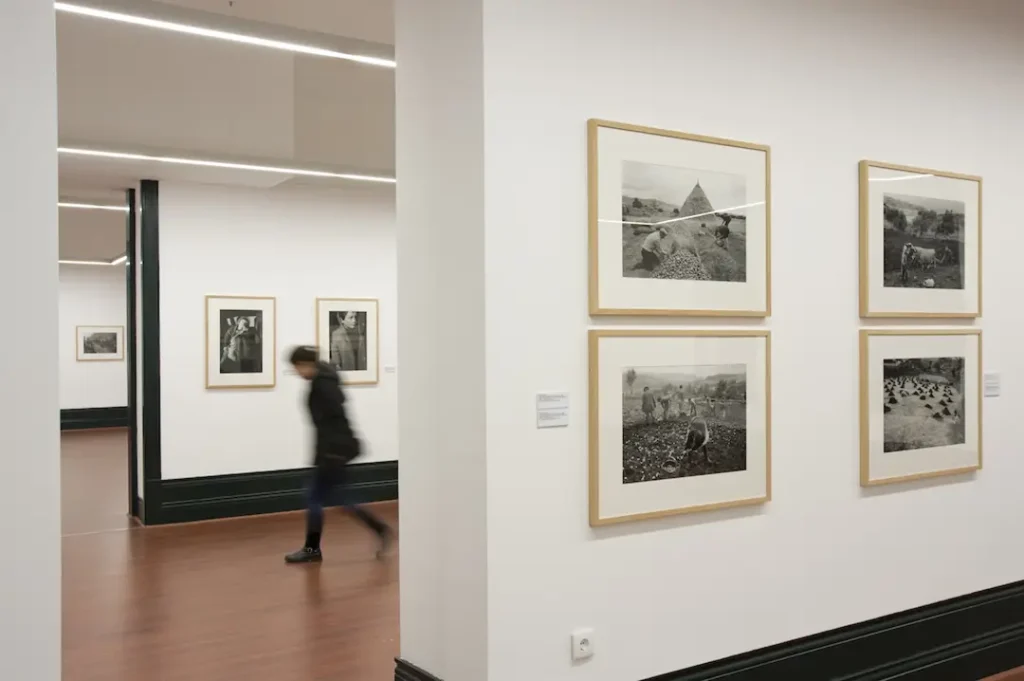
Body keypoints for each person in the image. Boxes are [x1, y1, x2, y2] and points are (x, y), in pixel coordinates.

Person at [284, 345, 392, 563]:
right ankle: (380, 529)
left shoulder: (324, 386)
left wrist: (331, 454)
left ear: (305, 365)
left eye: (296, 368)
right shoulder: (324, 379)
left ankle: (312, 549)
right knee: (340, 498)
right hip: (334, 450)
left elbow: (334, 422)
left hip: (333, 451)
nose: (296, 373)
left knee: (316, 498)